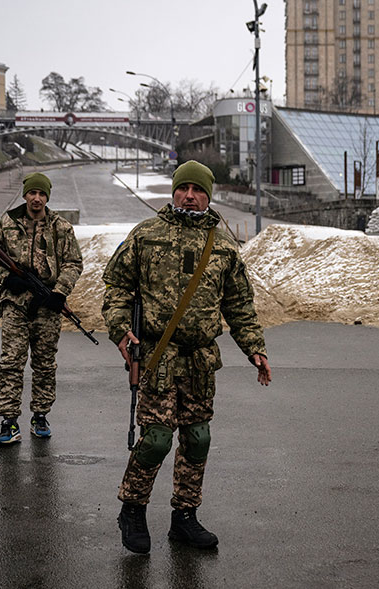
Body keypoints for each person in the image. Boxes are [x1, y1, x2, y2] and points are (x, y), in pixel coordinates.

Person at [102, 160, 271, 554]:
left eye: (198, 190)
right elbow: (117, 288)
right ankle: (132, 509)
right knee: (156, 439)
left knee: (198, 438)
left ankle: (185, 516)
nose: (189, 196)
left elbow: (239, 305)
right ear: (174, 191)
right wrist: (119, 328)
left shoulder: (223, 246)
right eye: (183, 188)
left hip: (199, 360)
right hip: (157, 357)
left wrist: (255, 348)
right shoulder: (146, 235)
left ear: (208, 196)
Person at [0, 172, 82, 444]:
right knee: (11, 363)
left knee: (44, 364)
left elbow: (74, 263)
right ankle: (9, 421)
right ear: (25, 194)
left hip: (47, 306)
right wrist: (7, 278)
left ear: (47, 197)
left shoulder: (60, 227)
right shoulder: (8, 222)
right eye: (32, 193)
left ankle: (40, 416)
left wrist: (59, 292)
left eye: (41, 193)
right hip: (14, 304)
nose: (36, 198)